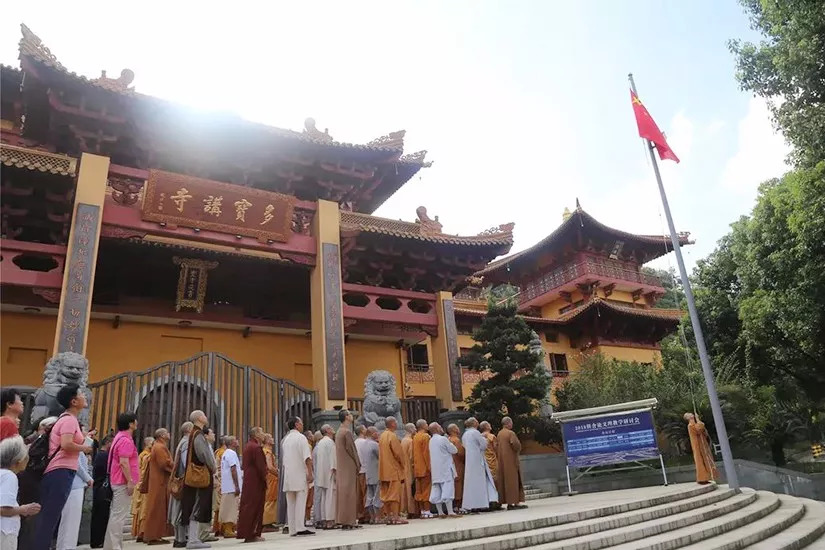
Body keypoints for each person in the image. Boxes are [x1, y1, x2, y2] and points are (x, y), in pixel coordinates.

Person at [34, 383, 93, 550]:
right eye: (81, 394)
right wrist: (85, 448)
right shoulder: (69, 420)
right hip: (60, 471)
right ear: (74, 401)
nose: (84, 396)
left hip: (61, 471)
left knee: (50, 518)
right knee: (49, 518)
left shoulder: (67, 419)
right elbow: (66, 444)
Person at [180, 411, 216, 550]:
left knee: (194, 504)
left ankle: (193, 538)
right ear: (200, 418)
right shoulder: (198, 434)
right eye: (204, 415)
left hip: (194, 474)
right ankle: (193, 540)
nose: (206, 417)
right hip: (199, 475)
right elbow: (203, 454)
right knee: (197, 505)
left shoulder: (194, 433)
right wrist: (212, 467)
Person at [104, 412, 139, 550]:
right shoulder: (125, 440)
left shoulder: (119, 437)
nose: (137, 422)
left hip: (117, 480)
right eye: (135, 421)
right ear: (131, 424)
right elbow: (124, 463)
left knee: (115, 515)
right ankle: (115, 546)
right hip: (122, 481)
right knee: (119, 517)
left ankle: (110, 546)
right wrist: (130, 481)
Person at [0, 435, 41, 550]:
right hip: (4, 531)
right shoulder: (9, 477)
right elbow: (3, 509)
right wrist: (24, 509)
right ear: (18, 461)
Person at [56, 434, 94, 550]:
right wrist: (88, 478)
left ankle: (63, 546)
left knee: (68, 522)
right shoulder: (74, 449)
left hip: (74, 484)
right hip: (75, 485)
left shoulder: (78, 449)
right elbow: (77, 466)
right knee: (71, 521)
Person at [282, 417, 314, 537]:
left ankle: (292, 528)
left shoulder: (286, 439)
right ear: (296, 424)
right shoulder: (301, 438)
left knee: (291, 503)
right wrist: (310, 473)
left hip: (289, 475)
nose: (302, 425)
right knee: (300, 500)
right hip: (299, 473)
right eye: (301, 423)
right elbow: (307, 458)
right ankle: (300, 526)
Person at [143, 428, 174, 544]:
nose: (169, 434)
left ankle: (156, 535)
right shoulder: (160, 447)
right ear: (161, 435)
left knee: (158, 509)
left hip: (159, 482)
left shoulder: (158, 446)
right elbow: (164, 463)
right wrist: (175, 467)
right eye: (167, 432)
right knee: (156, 508)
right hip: (159, 483)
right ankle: (152, 536)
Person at [236, 427, 266, 543]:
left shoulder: (249, 446)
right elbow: (261, 467)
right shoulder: (256, 447)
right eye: (262, 432)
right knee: (255, 507)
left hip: (249, 481)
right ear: (256, 435)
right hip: (256, 481)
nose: (263, 435)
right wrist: (265, 477)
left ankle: (246, 532)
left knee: (248, 506)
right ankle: (252, 534)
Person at [461, 417, 498, 512]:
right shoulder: (475, 433)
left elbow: (464, 446)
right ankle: (482, 504)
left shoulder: (465, 434)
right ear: (474, 423)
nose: (478, 422)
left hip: (469, 461)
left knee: (471, 484)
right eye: (476, 421)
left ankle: (472, 505)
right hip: (478, 459)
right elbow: (484, 445)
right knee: (481, 483)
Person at [334, 409, 361, 530]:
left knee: (343, 493)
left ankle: (344, 519)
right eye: (349, 414)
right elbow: (352, 450)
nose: (351, 416)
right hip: (349, 465)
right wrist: (358, 463)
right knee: (350, 493)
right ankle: (350, 520)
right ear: (346, 417)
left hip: (342, 465)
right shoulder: (347, 432)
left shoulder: (339, 431)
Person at [170, 422, 194, 548]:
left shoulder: (183, 442)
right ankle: (180, 538)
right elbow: (186, 463)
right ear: (189, 430)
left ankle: (181, 537)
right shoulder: (186, 443)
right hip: (184, 482)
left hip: (182, 480)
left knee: (182, 509)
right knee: (181, 510)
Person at [379, 417, 407, 525]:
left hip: (384, 471)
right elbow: (398, 454)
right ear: (392, 424)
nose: (396, 423)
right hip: (393, 470)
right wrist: (402, 465)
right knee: (394, 495)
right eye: (395, 422)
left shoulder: (382, 436)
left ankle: (389, 516)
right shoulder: (392, 435)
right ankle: (396, 517)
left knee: (386, 495)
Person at [428, 422, 458, 517]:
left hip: (436, 469)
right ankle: (450, 511)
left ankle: (440, 512)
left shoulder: (431, 440)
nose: (442, 428)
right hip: (445, 468)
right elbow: (454, 450)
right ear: (437, 429)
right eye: (440, 427)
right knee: (448, 488)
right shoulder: (443, 439)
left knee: (437, 488)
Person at [497, 417, 526, 510]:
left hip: (502, 462)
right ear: (508, 423)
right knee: (513, 481)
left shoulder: (499, 434)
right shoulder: (510, 433)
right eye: (511, 423)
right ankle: (514, 502)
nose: (512, 425)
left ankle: (508, 502)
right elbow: (516, 445)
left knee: (505, 481)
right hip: (511, 461)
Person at [90, 435, 113, 548]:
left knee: (99, 515)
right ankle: (98, 541)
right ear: (108, 443)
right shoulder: (104, 456)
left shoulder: (100, 455)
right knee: (101, 516)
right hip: (102, 489)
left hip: (98, 488)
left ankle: (97, 540)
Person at [684, 412, 719, 484]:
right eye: (688, 414)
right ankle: (702, 478)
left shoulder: (695, 424)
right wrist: (698, 419)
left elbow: (703, 430)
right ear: (687, 418)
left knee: (706, 460)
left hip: (702, 445)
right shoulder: (690, 425)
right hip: (697, 445)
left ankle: (707, 477)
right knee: (700, 460)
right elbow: (699, 429)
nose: (691, 414)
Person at [217, 436, 241, 538]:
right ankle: (228, 530)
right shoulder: (231, 453)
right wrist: (236, 486)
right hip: (231, 486)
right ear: (231, 443)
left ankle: (228, 528)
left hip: (227, 485)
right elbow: (233, 469)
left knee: (227, 507)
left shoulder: (226, 453)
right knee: (230, 509)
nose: (238, 441)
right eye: (236, 439)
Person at [314, 425, 337, 529]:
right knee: (330, 497)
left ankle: (324, 519)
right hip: (329, 473)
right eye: (331, 428)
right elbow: (333, 459)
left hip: (321, 473)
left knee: (324, 497)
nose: (333, 429)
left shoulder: (320, 443)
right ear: (327, 430)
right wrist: (335, 471)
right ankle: (330, 520)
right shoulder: (330, 442)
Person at [132, 437, 154, 541]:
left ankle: (141, 532)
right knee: (144, 509)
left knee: (142, 509)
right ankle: (143, 532)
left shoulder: (142, 455)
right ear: (147, 444)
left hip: (140, 484)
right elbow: (143, 471)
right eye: (152, 442)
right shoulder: (145, 456)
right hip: (143, 484)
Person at [412, 419, 432, 518]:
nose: (428, 425)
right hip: (424, 467)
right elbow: (426, 453)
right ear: (423, 426)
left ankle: (422, 511)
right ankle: (427, 510)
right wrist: (429, 467)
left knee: (419, 490)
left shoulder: (415, 437)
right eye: (426, 424)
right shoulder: (425, 437)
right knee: (426, 490)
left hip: (417, 467)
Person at [362, 427, 381, 524]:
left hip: (368, 473)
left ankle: (372, 518)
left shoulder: (364, 444)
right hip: (376, 473)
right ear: (372, 433)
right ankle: (378, 517)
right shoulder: (374, 444)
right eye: (376, 432)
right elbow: (381, 457)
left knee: (370, 496)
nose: (378, 434)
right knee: (377, 495)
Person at [479, 421, 500, 509]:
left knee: (486, 482)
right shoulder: (491, 436)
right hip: (492, 461)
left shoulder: (479, 437)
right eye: (489, 425)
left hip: (483, 462)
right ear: (487, 427)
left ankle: (487, 501)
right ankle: (495, 502)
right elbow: (496, 449)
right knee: (495, 481)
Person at [400, 423, 418, 519]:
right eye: (414, 428)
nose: (415, 429)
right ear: (411, 429)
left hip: (404, 468)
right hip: (410, 468)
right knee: (411, 489)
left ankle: (405, 509)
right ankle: (412, 510)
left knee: (405, 489)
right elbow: (412, 457)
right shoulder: (411, 441)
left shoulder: (403, 440)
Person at [446, 424, 465, 512]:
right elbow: (461, 453)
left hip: (450, 465)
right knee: (458, 485)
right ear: (453, 430)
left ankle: (453, 505)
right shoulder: (456, 440)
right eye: (457, 427)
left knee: (452, 485)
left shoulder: (447, 440)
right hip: (458, 464)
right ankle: (458, 505)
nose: (458, 429)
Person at [262, 433, 279, 529]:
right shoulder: (267, 452)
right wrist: (278, 473)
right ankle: (266, 523)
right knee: (270, 500)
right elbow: (270, 467)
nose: (273, 439)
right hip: (271, 478)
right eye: (271, 438)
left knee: (269, 499)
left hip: (268, 478)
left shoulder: (264, 451)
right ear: (267, 440)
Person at [211, 437, 227, 537]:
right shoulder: (223, 453)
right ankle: (222, 527)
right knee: (222, 504)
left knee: (219, 506)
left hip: (218, 481)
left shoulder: (218, 451)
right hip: (221, 481)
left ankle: (217, 527)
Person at [354, 425, 369, 524]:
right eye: (365, 428)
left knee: (359, 494)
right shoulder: (365, 442)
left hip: (357, 471)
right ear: (362, 431)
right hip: (365, 470)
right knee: (366, 494)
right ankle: (367, 515)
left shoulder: (355, 442)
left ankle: (360, 515)